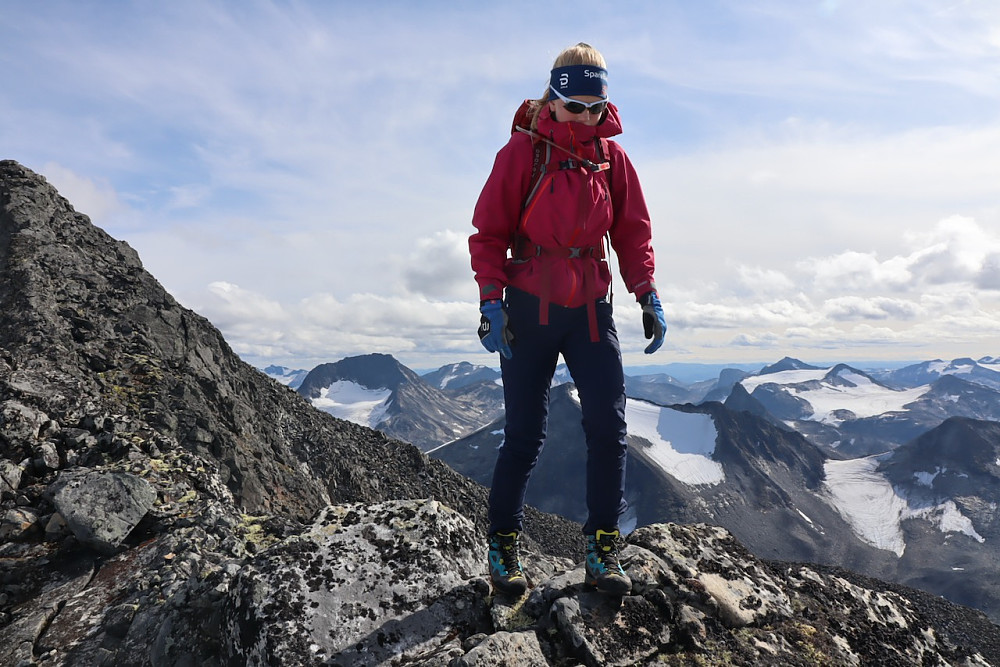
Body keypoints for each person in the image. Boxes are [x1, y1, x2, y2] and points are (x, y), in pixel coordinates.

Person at [468, 42, 666, 596]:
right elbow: (488, 234)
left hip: (590, 310)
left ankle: (603, 548)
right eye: (573, 105)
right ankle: (503, 545)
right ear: (551, 99)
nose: (584, 116)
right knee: (525, 435)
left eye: (594, 107)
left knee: (609, 428)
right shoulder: (521, 154)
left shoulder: (612, 159)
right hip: (529, 309)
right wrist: (491, 301)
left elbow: (631, 231)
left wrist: (646, 291)